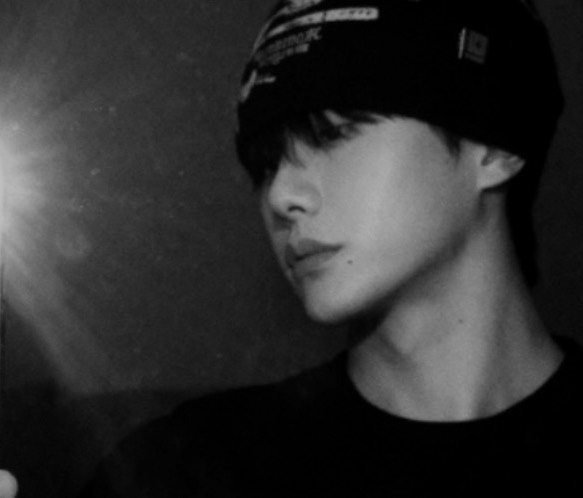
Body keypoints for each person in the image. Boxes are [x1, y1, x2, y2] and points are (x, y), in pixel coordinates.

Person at [80, 0, 583, 496]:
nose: (280, 195)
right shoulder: (176, 472)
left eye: (333, 136)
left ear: (494, 148)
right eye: (265, 165)